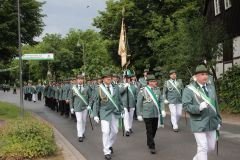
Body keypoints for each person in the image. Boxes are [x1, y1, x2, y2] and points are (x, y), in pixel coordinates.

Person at [182, 65, 222, 160]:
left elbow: (216, 105)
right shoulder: (189, 89)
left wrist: (219, 120)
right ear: (196, 77)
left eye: (206, 74)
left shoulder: (211, 87)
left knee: (211, 147)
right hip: (198, 122)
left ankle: (196, 158)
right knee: (203, 147)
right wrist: (198, 107)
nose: (205, 76)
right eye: (202, 74)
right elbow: (186, 106)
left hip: (212, 122)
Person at [93, 71, 123, 160]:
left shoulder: (116, 87)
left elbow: (119, 100)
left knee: (115, 131)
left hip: (114, 112)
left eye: (110, 77)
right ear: (103, 79)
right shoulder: (98, 88)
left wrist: (122, 110)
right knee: (105, 132)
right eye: (106, 77)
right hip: (104, 112)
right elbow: (96, 103)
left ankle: (109, 144)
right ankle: (106, 151)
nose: (109, 78)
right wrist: (95, 115)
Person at [137, 74, 165, 154]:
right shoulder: (143, 90)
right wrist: (139, 114)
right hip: (147, 113)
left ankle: (149, 141)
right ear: (149, 82)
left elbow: (161, 100)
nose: (154, 82)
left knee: (154, 129)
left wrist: (162, 109)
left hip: (156, 113)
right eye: (153, 81)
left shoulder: (157, 90)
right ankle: (152, 146)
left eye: (154, 81)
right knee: (149, 130)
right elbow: (138, 103)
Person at [69, 75, 92, 142]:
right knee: (79, 121)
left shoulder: (87, 88)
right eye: (79, 79)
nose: (80, 80)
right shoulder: (73, 88)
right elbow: (71, 98)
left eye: (81, 79)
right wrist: (71, 107)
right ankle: (80, 135)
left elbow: (90, 97)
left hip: (85, 107)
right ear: (76, 80)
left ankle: (82, 132)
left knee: (84, 121)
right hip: (77, 107)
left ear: (83, 80)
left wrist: (89, 105)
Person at [119, 69, 137, 136]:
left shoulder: (133, 85)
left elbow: (136, 94)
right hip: (124, 103)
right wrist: (124, 87)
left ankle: (129, 127)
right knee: (126, 116)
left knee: (131, 117)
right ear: (123, 78)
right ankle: (127, 130)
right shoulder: (121, 85)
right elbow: (119, 93)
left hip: (132, 103)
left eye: (129, 78)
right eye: (126, 78)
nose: (128, 79)